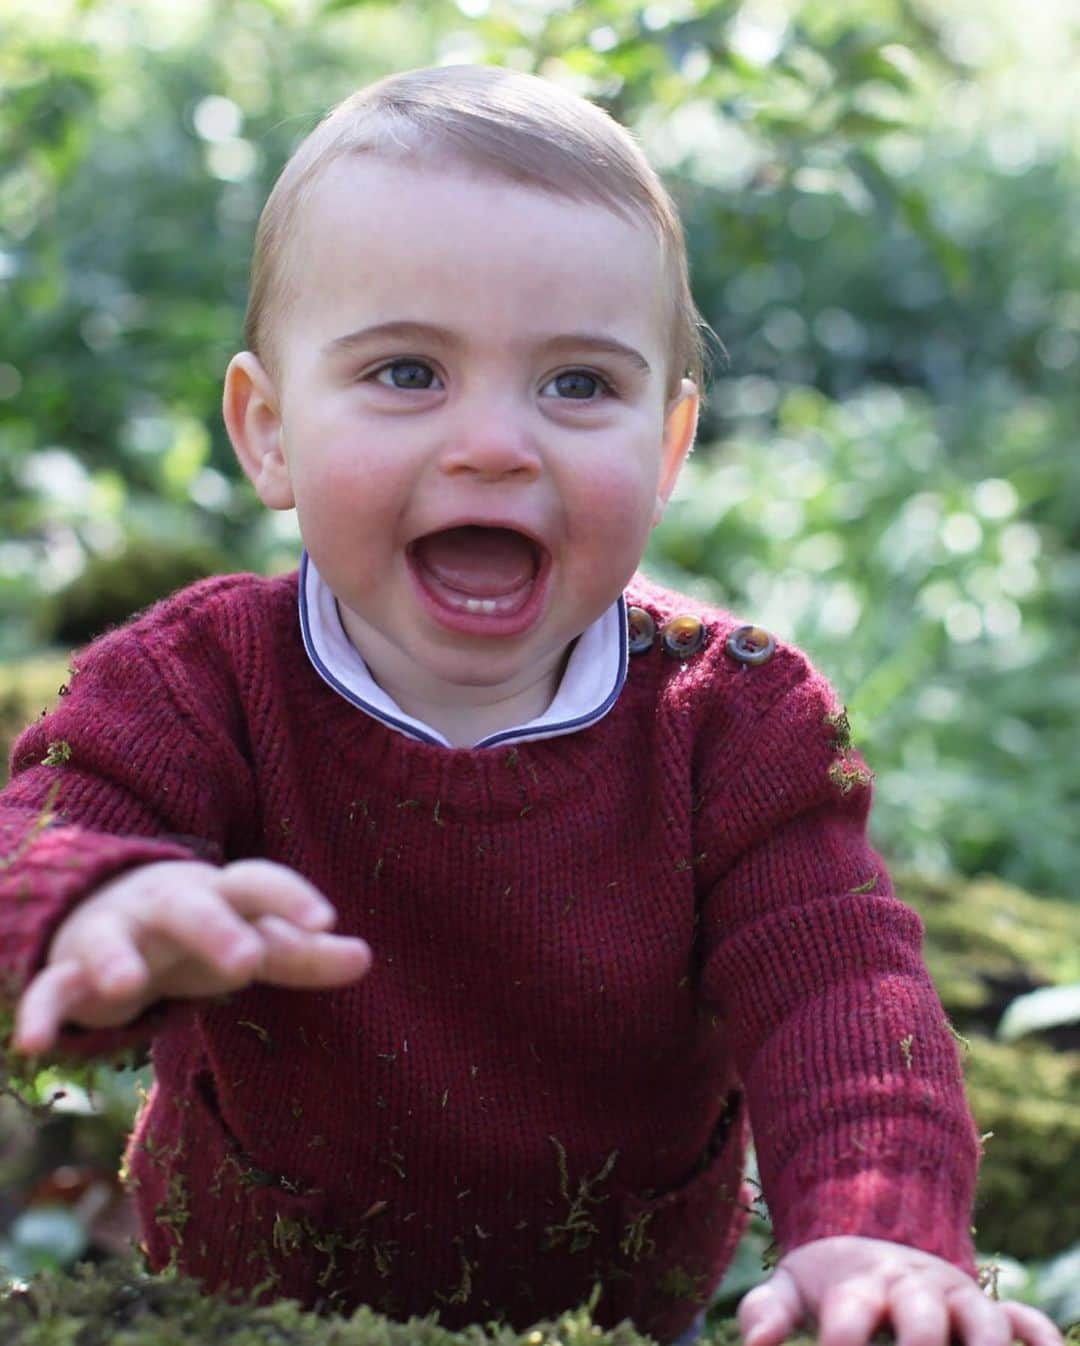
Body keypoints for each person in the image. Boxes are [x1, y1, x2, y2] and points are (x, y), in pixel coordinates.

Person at [0, 64, 1061, 1346]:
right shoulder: (198, 680)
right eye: (405, 372)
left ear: (666, 451)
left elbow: (842, 986)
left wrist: (876, 1224)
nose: (496, 443)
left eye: (576, 384)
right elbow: (48, 822)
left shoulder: (732, 722)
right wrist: (98, 898)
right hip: (243, 1302)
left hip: (608, 1310)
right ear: (269, 429)